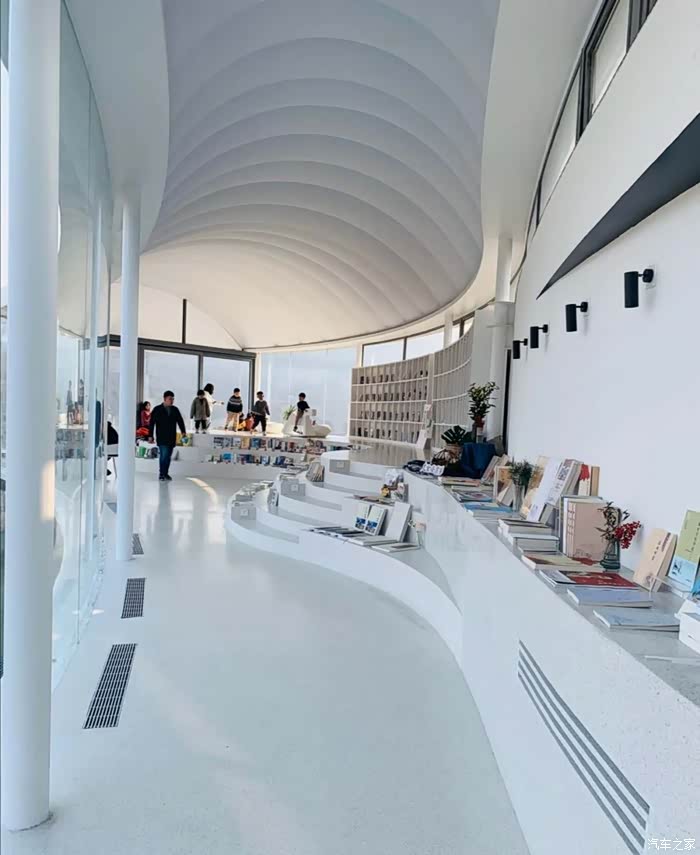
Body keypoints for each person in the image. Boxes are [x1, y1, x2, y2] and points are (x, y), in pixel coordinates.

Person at [148, 390, 187, 481]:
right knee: (163, 455)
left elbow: (180, 421)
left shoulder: (175, 409)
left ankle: (165, 473)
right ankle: (161, 474)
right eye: (170, 399)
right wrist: (150, 435)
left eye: (173, 399)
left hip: (171, 437)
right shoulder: (157, 409)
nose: (172, 401)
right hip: (161, 437)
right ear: (165, 399)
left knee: (168, 456)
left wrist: (183, 432)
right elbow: (151, 423)